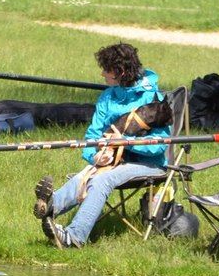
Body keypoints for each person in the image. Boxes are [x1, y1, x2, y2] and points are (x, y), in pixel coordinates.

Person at [34, 43, 169, 248]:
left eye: (106, 69)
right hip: (113, 161)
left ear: (120, 72)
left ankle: (74, 237)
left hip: (149, 164)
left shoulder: (153, 99)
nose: (102, 73)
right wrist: (94, 156)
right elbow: (93, 136)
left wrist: (126, 143)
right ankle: (51, 205)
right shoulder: (107, 96)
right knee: (86, 175)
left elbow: (159, 146)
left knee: (101, 180)